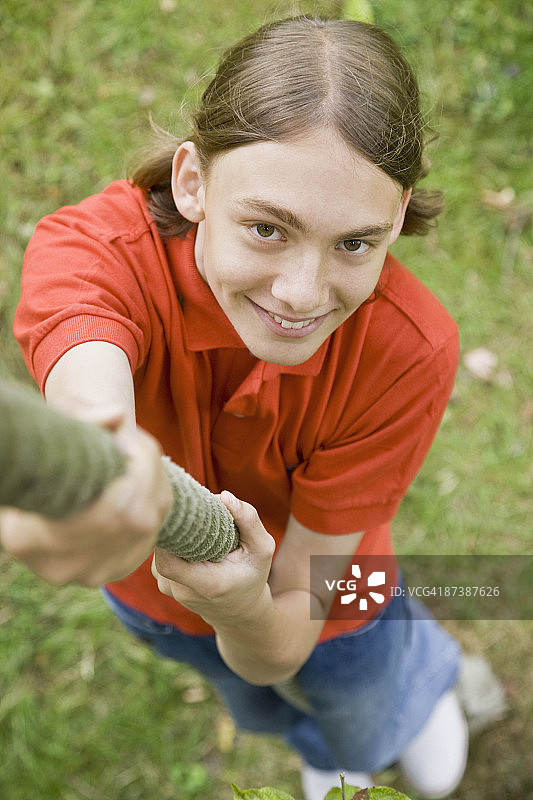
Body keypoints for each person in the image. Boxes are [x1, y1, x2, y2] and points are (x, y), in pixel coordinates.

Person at [2, 16, 468, 799]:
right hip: (167, 607)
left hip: (340, 588)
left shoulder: (407, 348)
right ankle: (316, 741)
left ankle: (401, 716)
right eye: (266, 228)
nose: (300, 293)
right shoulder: (97, 255)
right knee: (254, 702)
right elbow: (89, 386)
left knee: (367, 689)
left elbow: (288, 629)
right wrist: (100, 460)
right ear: (192, 182)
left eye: (354, 243)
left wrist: (252, 607)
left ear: (396, 221)